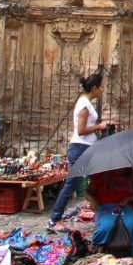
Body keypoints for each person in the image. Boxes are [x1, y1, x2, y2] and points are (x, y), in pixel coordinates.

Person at [47, 73, 110, 233]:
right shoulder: (84, 104)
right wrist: (99, 127)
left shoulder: (87, 103)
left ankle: (104, 213)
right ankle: (54, 219)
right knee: (71, 184)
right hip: (81, 147)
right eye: (101, 87)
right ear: (94, 88)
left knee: (98, 180)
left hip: (87, 147)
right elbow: (81, 130)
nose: (102, 90)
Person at [86, 167, 133, 255]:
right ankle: (99, 247)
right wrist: (92, 200)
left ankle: (131, 250)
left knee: (132, 224)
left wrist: (129, 199)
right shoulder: (100, 174)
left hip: (126, 207)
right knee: (106, 226)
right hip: (104, 208)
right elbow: (87, 192)